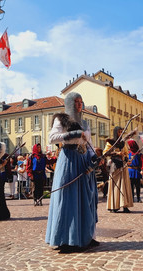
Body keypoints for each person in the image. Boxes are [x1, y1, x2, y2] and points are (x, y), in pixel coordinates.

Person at [45, 92, 98, 253]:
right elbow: (52, 138)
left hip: (83, 161)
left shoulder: (85, 123)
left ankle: (85, 237)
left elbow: (88, 144)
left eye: (81, 101)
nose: (79, 104)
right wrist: (73, 134)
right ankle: (65, 239)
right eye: (76, 101)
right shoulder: (61, 119)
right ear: (69, 103)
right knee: (67, 198)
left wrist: (94, 157)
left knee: (85, 199)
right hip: (68, 161)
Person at [104, 126, 134, 213]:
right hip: (115, 166)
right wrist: (117, 153)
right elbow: (105, 152)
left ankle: (125, 206)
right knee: (115, 185)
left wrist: (125, 157)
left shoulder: (123, 142)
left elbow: (126, 153)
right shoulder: (111, 142)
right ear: (115, 132)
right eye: (119, 132)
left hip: (123, 166)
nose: (120, 133)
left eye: (121, 132)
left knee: (124, 186)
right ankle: (114, 206)